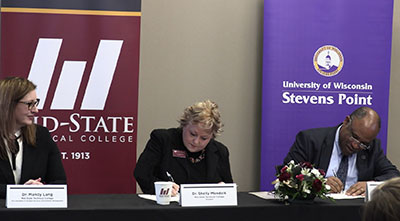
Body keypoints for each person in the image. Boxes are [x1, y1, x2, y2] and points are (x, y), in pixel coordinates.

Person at [282, 106, 400, 196]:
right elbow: (287, 176)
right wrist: (318, 184)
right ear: (346, 121)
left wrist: (371, 186)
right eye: (354, 137)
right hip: (316, 212)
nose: (355, 145)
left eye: (363, 144)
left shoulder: (372, 147)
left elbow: (394, 177)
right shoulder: (310, 140)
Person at [134, 99, 233, 196]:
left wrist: (224, 190)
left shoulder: (220, 151)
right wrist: (161, 189)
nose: (196, 141)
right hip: (167, 209)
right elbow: (141, 173)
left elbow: (229, 187)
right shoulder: (163, 140)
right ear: (184, 125)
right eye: (192, 134)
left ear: (212, 136)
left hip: (206, 211)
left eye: (204, 138)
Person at [0, 76, 66, 198]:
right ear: (8, 104)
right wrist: (22, 192)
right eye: (29, 104)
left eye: (36, 103)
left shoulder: (41, 135)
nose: (35, 110)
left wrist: (39, 190)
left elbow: (60, 183)